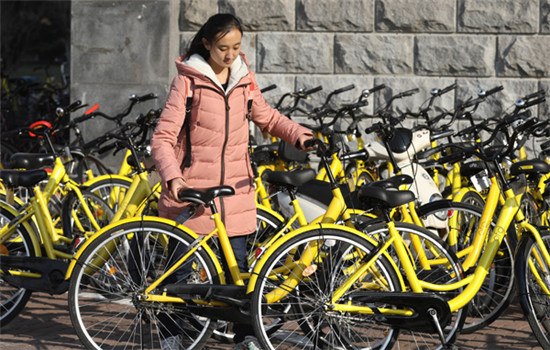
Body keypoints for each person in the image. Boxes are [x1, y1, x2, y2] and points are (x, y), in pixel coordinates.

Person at [151, 13, 313, 350]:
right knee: (177, 276)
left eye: (236, 47)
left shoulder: (243, 78)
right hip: (192, 195)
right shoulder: (188, 81)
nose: (230, 54)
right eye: (223, 47)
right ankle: (170, 336)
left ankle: (247, 337)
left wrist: (300, 136)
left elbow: (267, 117)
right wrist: (173, 178)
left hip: (236, 192)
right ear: (207, 44)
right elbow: (163, 138)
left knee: (238, 275)